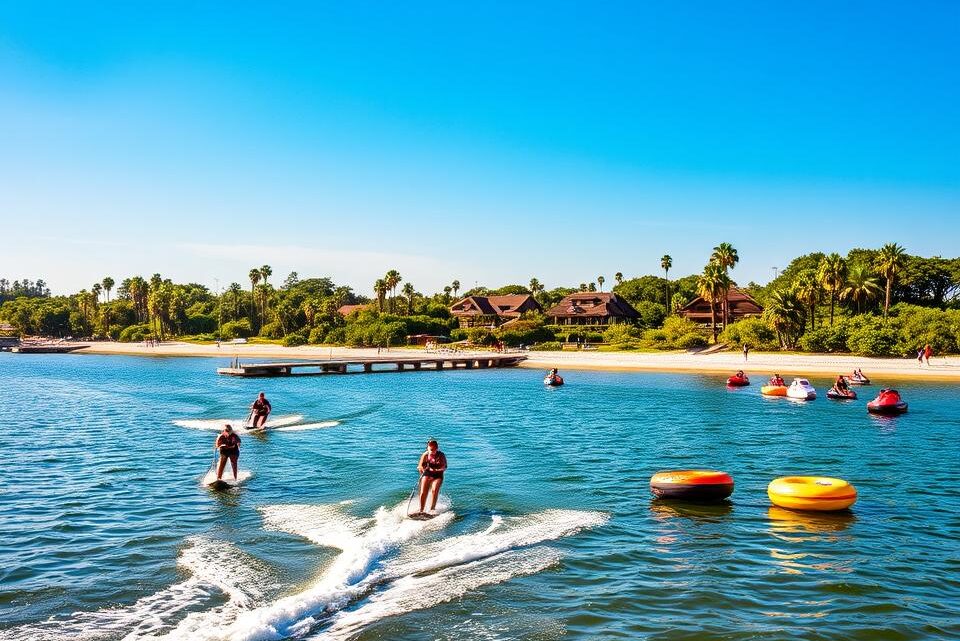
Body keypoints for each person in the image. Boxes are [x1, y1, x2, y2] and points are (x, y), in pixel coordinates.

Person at [416, 439, 447, 515]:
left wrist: (435, 469)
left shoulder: (441, 455)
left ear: (437, 448)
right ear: (427, 448)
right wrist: (423, 470)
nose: (431, 451)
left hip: (438, 474)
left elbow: (444, 467)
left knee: (434, 490)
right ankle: (421, 510)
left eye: (433, 449)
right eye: (430, 449)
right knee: (423, 492)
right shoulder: (425, 455)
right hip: (427, 473)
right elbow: (420, 466)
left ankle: (432, 509)